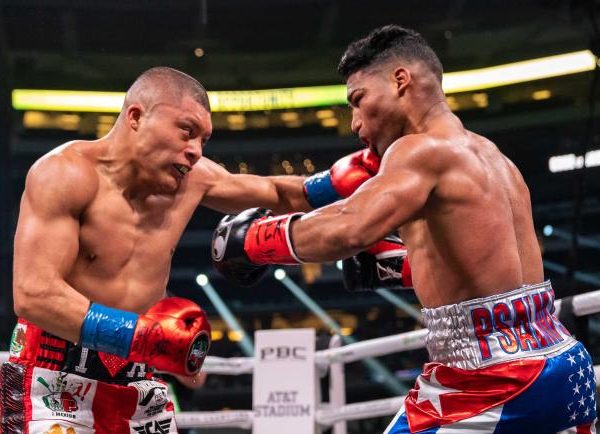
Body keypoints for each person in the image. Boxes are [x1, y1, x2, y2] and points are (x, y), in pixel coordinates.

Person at [212, 26, 597, 433]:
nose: (355, 123)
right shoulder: (492, 156)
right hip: (564, 363)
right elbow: (486, 268)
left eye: (358, 101)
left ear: (401, 81)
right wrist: (399, 265)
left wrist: (255, 241)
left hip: (490, 379)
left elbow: (349, 227)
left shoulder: (418, 150)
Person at [3, 66, 384, 434]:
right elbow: (34, 295)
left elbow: (279, 193)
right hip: (52, 373)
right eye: (187, 132)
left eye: (203, 140)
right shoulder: (64, 174)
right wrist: (143, 336)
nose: (195, 151)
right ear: (136, 116)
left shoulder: (193, 180)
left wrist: (341, 180)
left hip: (137, 377)